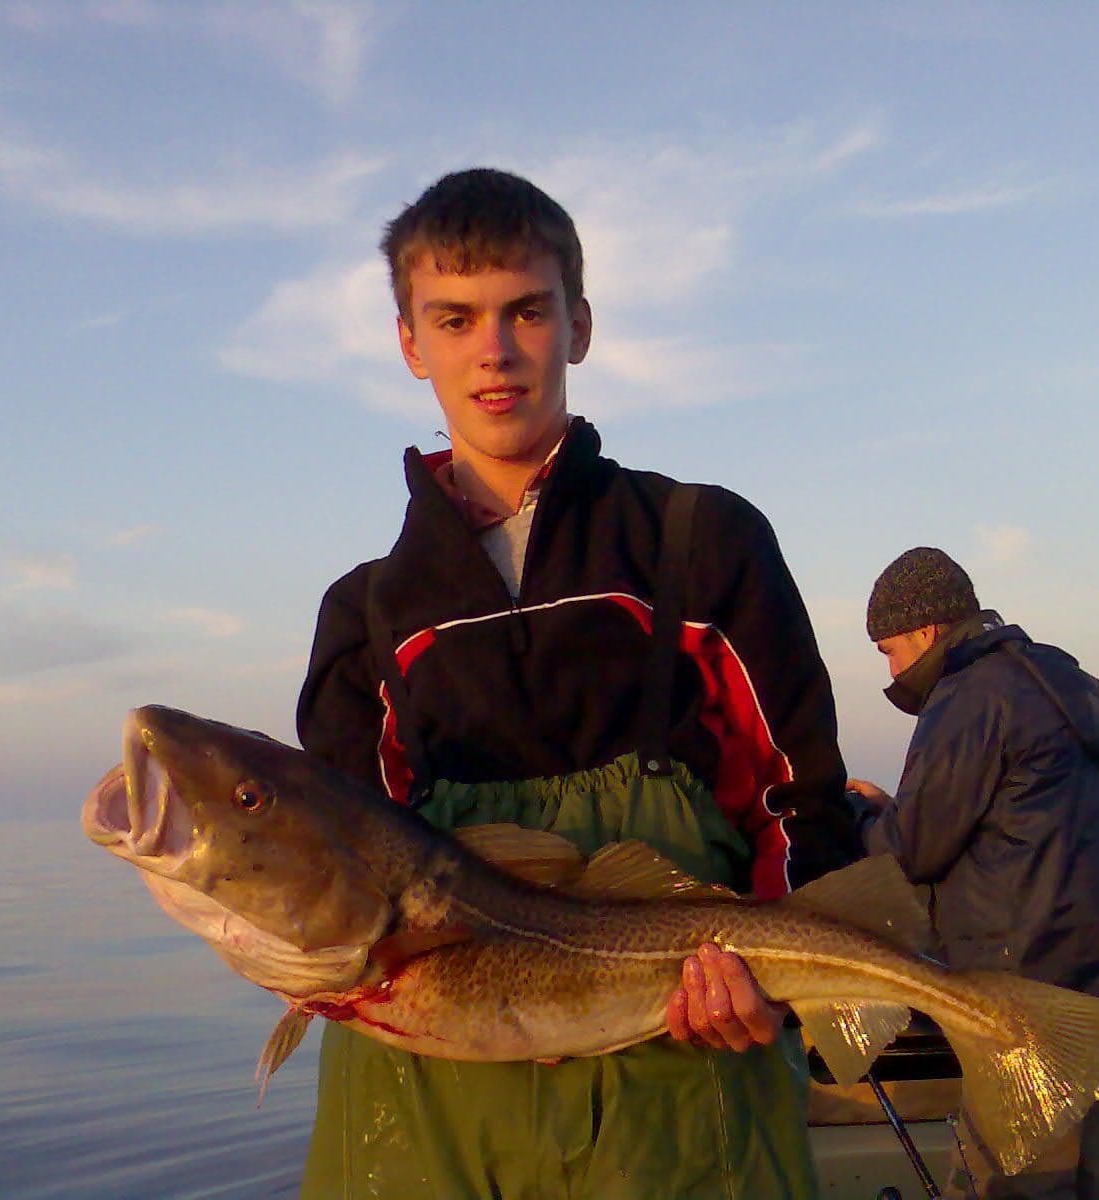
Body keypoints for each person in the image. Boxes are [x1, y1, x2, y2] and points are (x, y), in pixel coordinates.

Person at [294, 167, 861, 1199]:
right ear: (410, 344)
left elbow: (799, 802)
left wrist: (772, 987)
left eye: (526, 310)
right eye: (455, 318)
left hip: (681, 1088)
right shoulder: (363, 615)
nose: (494, 349)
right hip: (426, 1109)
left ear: (579, 325)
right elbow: (336, 870)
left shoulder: (702, 539)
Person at [847, 547, 1099, 1200]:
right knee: (1080, 1175)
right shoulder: (1049, 678)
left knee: (1007, 1181)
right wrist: (898, 808)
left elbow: (916, 852)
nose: (890, 667)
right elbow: (997, 819)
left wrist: (855, 818)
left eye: (888, 650)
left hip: (1030, 992)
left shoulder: (968, 695)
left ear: (926, 630)